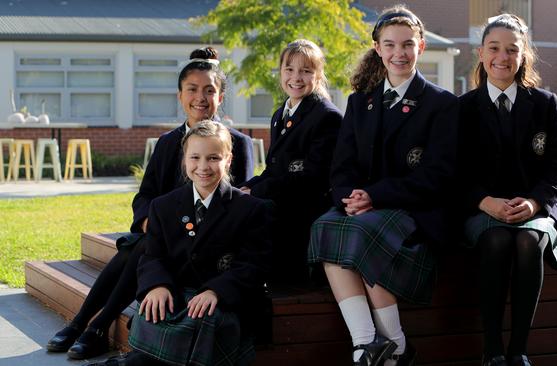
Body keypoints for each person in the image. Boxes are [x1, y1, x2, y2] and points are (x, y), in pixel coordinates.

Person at [46, 46, 254, 360]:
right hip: (161, 235)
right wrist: (148, 220)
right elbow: (145, 195)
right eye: (192, 89)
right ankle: (84, 325)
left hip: (207, 244)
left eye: (209, 90)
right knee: (138, 244)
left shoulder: (238, 144)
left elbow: (237, 201)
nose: (200, 97)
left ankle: (95, 325)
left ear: (220, 97)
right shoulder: (168, 143)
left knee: (139, 248)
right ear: (180, 95)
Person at [308, 6, 458, 366]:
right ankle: (365, 344)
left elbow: (437, 176)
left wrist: (374, 195)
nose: (399, 53)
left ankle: (397, 344)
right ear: (377, 48)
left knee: (361, 236)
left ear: (421, 47)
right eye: (389, 45)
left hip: (414, 210)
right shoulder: (360, 102)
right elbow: (340, 169)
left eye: (407, 45)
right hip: (364, 209)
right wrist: (351, 197)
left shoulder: (442, 104)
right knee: (325, 226)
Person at [88, 121, 271, 366]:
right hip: (175, 294)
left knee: (205, 324)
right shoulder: (163, 206)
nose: (203, 167)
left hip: (225, 301)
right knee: (155, 311)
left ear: (228, 160)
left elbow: (254, 265)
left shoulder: (251, 209)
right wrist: (157, 286)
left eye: (213, 158)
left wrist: (216, 290)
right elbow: (152, 256)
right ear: (184, 159)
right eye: (195, 157)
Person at [457, 14, 557, 366]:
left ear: (523, 57)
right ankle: (492, 351)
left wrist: (536, 202)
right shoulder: (463, 108)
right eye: (494, 48)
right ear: (480, 53)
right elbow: (453, 171)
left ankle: (518, 351)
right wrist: (484, 201)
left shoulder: (545, 104)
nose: (502, 57)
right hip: (481, 209)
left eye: (511, 50)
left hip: (534, 210)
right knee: (496, 240)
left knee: (525, 241)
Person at [240, 39, 342, 282]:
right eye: (290, 69)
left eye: (306, 71)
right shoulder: (281, 113)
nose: (296, 77)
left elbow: (311, 178)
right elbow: (274, 168)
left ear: (318, 75)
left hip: (302, 210)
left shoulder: (327, 117)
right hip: (280, 197)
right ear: (281, 72)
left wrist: (257, 191)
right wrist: (248, 187)